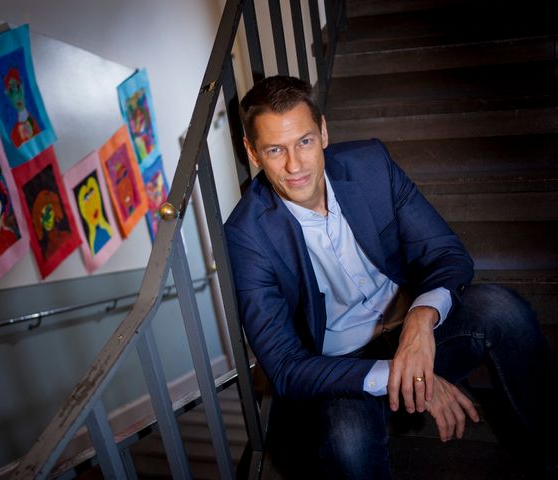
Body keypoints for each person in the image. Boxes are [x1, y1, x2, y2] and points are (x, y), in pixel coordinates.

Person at [224, 75, 558, 479]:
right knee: (347, 443)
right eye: (275, 149)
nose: (295, 165)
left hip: (415, 329)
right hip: (344, 366)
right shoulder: (247, 235)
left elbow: (447, 254)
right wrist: (408, 375)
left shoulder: (370, 166)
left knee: (503, 309)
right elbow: (285, 366)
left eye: (305, 142)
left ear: (324, 131)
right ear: (252, 152)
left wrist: (421, 320)